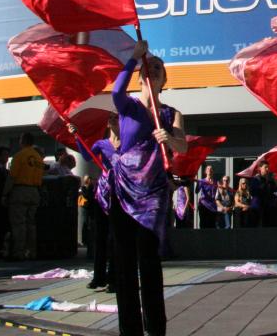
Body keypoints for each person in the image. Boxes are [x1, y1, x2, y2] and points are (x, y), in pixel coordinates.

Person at [105, 40, 186, 336]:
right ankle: (130, 331)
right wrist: (133, 59)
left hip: (153, 195)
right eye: (149, 67)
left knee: (149, 263)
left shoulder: (171, 113)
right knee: (125, 264)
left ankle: (156, 330)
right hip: (124, 190)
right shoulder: (128, 106)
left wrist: (170, 139)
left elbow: (183, 145)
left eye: (158, 68)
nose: (153, 70)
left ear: (164, 79)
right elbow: (115, 92)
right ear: (140, 76)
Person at [70, 115, 120, 291]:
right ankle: (99, 277)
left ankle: (114, 278)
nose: (116, 121)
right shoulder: (101, 144)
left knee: (116, 238)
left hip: (121, 194)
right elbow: (87, 155)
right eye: (113, 119)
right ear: (108, 123)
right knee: (100, 237)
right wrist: (77, 137)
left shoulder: (128, 144)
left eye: (119, 119)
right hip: (103, 194)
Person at [6, 132, 44, 261]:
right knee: (31, 223)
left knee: (19, 223)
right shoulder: (38, 157)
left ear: (22, 141)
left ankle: (19, 252)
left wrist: (5, 193)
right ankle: (31, 251)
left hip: (21, 190)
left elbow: (12, 176)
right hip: (34, 191)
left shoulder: (20, 156)